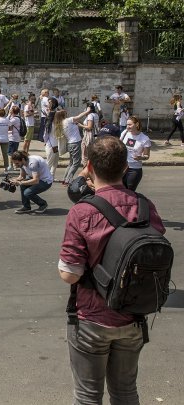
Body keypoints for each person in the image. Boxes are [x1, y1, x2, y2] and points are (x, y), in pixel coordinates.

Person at [58, 136, 165, 404]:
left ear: (90, 167)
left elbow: (70, 273)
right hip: (133, 316)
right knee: (126, 392)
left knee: (87, 396)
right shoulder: (145, 206)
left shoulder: (83, 211)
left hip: (91, 318)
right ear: (126, 168)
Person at [119, 115, 151, 192]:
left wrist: (140, 157)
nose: (127, 127)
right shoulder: (125, 133)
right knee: (120, 191)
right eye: (127, 124)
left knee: (129, 192)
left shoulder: (145, 139)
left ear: (136, 124)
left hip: (134, 169)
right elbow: (119, 145)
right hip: (122, 167)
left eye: (130, 125)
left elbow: (147, 156)